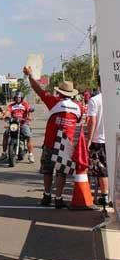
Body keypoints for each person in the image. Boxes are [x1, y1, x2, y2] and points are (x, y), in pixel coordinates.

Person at [23, 66, 82, 208]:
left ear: (60, 93)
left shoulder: (53, 101)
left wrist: (30, 76)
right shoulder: (79, 107)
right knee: (61, 172)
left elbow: (38, 90)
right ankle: (59, 198)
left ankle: (47, 195)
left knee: (48, 170)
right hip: (66, 144)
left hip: (50, 142)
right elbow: (78, 121)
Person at [87, 77, 109, 206]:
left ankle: (105, 196)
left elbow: (92, 121)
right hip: (113, 137)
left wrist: (89, 139)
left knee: (102, 168)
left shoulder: (95, 100)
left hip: (99, 139)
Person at [0, 91, 35, 163]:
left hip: (23, 123)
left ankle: (31, 155)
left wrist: (29, 116)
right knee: (5, 134)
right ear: (14, 98)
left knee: (28, 135)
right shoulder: (11, 105)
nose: (18, 99)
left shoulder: (25, 104)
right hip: (14, 124)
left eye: (19, 97)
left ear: (21, 98)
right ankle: (4, 153)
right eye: (16, 97)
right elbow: (7, 112)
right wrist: (4, 116)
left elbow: (29, 111)